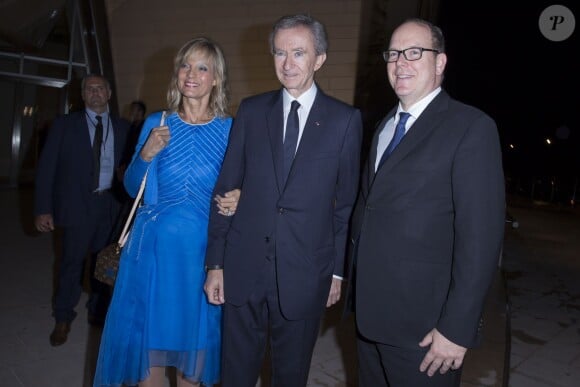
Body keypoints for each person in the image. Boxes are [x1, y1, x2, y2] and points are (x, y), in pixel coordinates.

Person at [204, 14, 363, 387]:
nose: (287, 64)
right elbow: (226, 189)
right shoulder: (251, 111)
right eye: (279, 53)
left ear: (319, 59)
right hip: (243, 269)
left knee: (290, 376)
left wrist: (337, 272)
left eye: (298, 53)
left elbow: (344, 207)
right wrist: (216, 262)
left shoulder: (345, 121)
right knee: (235, 375)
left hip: (305, 274)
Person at [347, 18, 505, 387]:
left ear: (441, 62)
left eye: (414, 52)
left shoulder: (471, 127)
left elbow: (481, 240)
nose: (401, 63)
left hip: (426, 333)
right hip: (371, 320)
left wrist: (457, 328)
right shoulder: (385, 125)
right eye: (393, 54)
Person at [93, 37, 235, 387]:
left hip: (200, 257)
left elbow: (242, 184)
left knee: (193, 365)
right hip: (152, 256)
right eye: (185, 65)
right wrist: (146, 153)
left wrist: (241, 196)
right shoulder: (158, 121)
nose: (191, 74)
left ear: (216, 78)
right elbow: (130, 188)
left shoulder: (229, 129)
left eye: (202, 67)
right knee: (148, 359)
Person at [34, 74, 130, 346]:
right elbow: (47, 169)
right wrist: (43, 208)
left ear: (109, 93)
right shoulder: (65, 126)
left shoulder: (123, 128)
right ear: (83, 95)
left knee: (104, 266)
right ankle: (63, 317)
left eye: (100, 88)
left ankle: (98, 314)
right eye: (90, 89)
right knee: (71, 264)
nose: (95, 92)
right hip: (76, 205)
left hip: (110, 207)